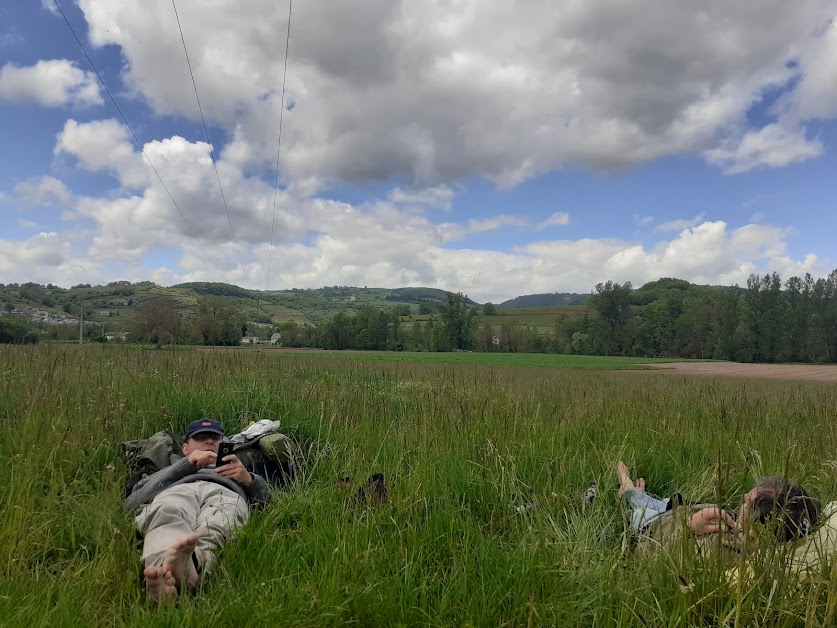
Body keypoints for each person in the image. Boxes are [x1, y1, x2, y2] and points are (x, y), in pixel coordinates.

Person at [125, 418, 272, 603]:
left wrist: (249, 480)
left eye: (216, 438)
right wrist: (186, 465)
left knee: (220, 522)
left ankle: (190, 570)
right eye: (201, 437)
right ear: (185, 448)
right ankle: (165, 570)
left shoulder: (238, 467)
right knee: (166, 511)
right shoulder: (172, 466)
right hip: (178, 489)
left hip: (225, 492)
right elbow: (133, 500)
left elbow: (268, 504)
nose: (209, 441)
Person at [616, 461, 820, 564]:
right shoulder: (746, 537)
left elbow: (646, 553)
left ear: (754, 529)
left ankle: (627, 486)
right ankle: (637, 492)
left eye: (747, 500)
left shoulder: (719, 552)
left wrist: (687, 526)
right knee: (653, 500)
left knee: (639, 504)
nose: (742, 497)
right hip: (676, 509)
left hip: (653, 522)